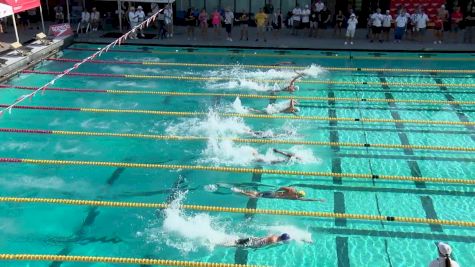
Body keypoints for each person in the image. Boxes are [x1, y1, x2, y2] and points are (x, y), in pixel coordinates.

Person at [231, 186, 326, 202]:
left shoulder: (292, 190)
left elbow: (283, 187)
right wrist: (318, 200)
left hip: (273, 192)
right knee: (256, 197)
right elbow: (306, 200)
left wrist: (276, 190)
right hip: (273, 196)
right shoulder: (295, 197)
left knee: (257, 193)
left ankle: (240, 190)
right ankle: (240, 192)